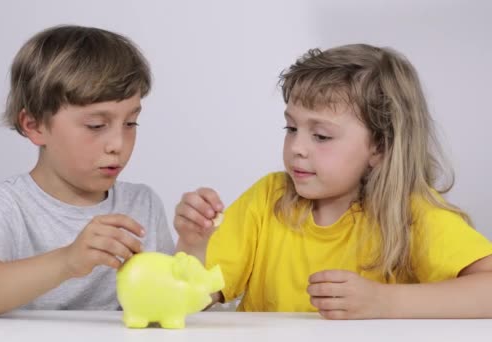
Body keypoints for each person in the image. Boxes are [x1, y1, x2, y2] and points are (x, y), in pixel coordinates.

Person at [174, 44, 492, 319]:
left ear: (380, 146)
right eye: (291, 129)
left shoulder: (410, 213)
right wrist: (193, 245)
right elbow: (190, 302)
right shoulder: (267, 198)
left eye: (321, 136)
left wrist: (384, 302)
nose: (297, 147)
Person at [0, 25, 174, 317]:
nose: (118, 144)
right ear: (34, 125)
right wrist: (68, 261)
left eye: (131, 123)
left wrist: (195, 246)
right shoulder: (4, 204)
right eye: (96, 125)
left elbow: (170, 302)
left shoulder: (143, 204)